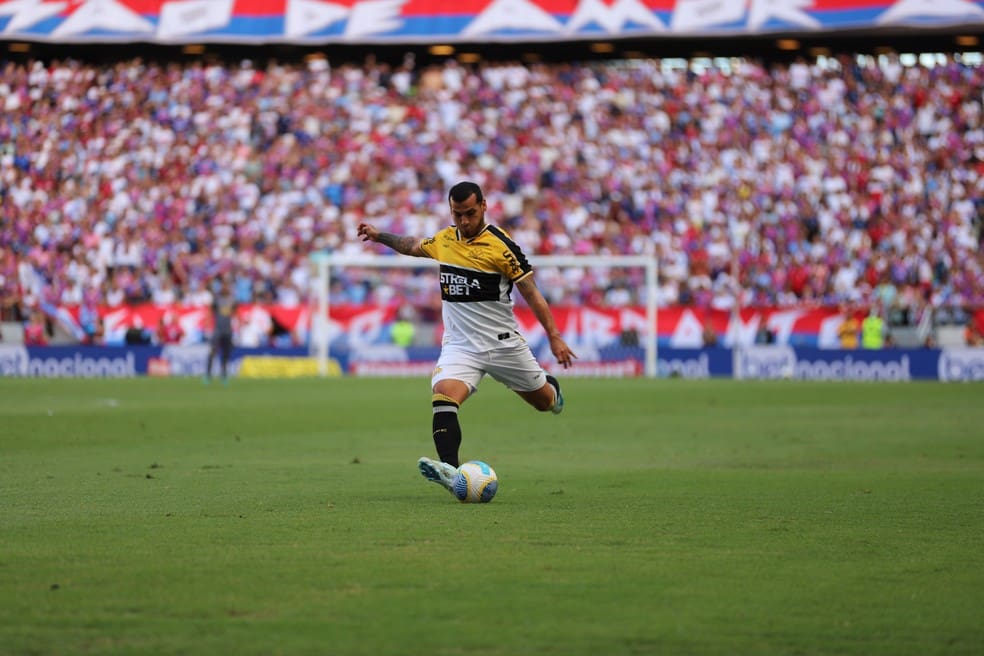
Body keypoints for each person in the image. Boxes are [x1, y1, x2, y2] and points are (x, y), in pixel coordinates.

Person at [357, 181, 576, 496]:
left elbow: (533, 294)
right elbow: (411, 245)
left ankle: (552, 388)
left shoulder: (502, 247)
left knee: (544, 402)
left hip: (503, 344)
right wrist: (380, 237)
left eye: (470, 213)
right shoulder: (445, 239)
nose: (464, 221)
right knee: (444, 395)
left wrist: (554, 337)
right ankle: (451, 470)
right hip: (461, 346)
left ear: (484, 206)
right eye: (457, 214)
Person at [205, 278, 237, 384]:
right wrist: (208, 322)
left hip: (227, 330)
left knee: (226, 354)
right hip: (217, 329)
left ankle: (224, 375)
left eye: (226, 285)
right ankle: (208, 375)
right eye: (223, 285)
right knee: (212, 352)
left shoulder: (232, 299)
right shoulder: (216, 299)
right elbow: (211, 311)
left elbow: (235, 313)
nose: (225, 288)